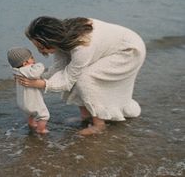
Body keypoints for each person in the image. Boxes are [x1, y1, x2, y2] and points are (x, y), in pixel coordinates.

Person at [15, 17, 146, 136]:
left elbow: (67, 80)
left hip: (128, 50)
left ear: (50, 40)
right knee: (77, 74)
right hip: (112, 47)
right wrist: (35, 77)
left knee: (85, 79)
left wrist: (40, 84)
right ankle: (86, 116)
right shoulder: (61, 37)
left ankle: (99, 125)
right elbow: (59, 67)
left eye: (41, 46)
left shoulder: (82, 47)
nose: (40, 51)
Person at [7, 47, 50, 134]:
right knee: (44, 115)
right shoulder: (27, 70)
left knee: (31, 114)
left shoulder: (16, 72)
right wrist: (40, 65)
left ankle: (32, 124)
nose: (34, 60)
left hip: (23, 103)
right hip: (31, 102)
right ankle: (41, 130)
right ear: (25, 62)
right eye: (32, 58)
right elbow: (36, 73)